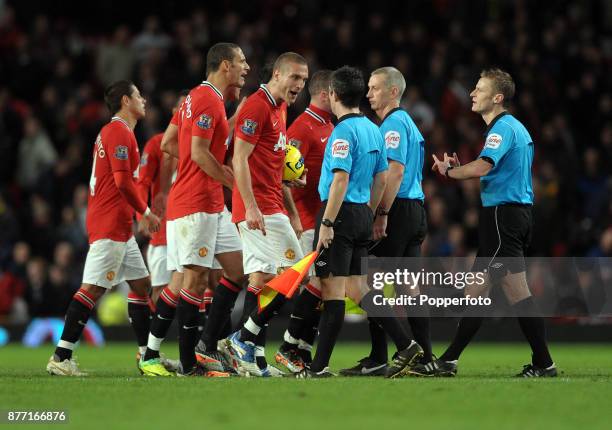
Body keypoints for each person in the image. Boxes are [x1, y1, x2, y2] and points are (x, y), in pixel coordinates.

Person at [295, 66, 423, 378]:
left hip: (338, 213)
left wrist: (327, 222)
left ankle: (318, 367)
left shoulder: (342, 132)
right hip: (362, 214)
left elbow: (339, 179)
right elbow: (381, 176)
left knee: (332, 290)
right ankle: (406, 344)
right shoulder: (372, 129)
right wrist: (369, 211)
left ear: (333, 95)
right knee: (358, 288)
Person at [431, 68, 557, 377]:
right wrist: (464, 170)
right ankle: (543, 363)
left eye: (479, 88)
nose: (472, 94)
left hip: (503, 218)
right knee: (502, 291)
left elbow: (484, 167)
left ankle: (449, 360)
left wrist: (449, 173)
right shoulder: (513, 128)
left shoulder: (502, 129)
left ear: (497, 97)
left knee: (488, 290)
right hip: (509, 216)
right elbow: (491, 170)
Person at [142, 42, 250, 377]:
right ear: (224, 66)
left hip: (209, 203)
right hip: (194, 205)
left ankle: (205, 347)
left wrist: (195, 164)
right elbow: (200, 152)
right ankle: (191, 364)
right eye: (241, 61)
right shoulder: (205, 99)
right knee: (194, 280)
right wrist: (232, 181)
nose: (247, 67)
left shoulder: (196, 100)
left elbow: (168, 143)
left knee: (237, 269)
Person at [46, 80, 161, 376]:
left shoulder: (118, 133)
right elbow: (123, 182)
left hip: (119, 225)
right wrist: (145, 212)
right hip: (110, 223)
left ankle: (146, 356)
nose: (144, 100)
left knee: (141, 285)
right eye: (138, 96)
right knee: (93, 289)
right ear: (126, 101)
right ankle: (61, 357)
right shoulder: (119, 132)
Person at [340, 66, 433, 376]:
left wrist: (381, 213)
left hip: (397, 210)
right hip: (415, 209)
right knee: (409, 288)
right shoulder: (408, 123)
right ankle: (425, 359)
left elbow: (395, 172)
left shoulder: (392, 124)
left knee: (371, 283)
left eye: (375, 88)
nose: (368, 94)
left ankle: (382, 354)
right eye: (368, 87)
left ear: (393, 92)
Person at [224, 52, 309, 377]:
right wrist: (252, 205)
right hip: (260, 208)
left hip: (270, 202)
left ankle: (253, 358)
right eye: (295, 78)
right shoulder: (257, 106)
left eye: (303, 80)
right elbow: (240, 159)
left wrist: (289, 179)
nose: (299, 85)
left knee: (261, 280)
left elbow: (270, 158)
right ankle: (243, 337)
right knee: (295, 273)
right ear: (277, 73)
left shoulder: (281, 108)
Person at [274, 70, 335, 372]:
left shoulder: (329, 125)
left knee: (324, 287)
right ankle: (288, 345)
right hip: (307, 219)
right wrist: (295, 217)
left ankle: (301, 350)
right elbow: (284, 175)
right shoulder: (302, 126)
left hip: (322, 217)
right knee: (317, 283)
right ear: (325, 94)